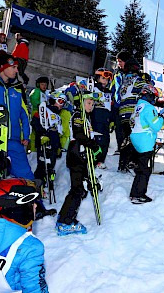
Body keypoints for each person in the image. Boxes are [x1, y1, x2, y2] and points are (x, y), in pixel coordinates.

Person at [0, 177, 49, 292]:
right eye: (31, 203)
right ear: (17, 210)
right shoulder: (30, 247)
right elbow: (34, 289)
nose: (35, 206)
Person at [56, 91, 102, 236]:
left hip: (81, 156)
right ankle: (65, 221)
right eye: (88, 103)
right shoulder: (78, 115)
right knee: (77, 190)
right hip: (76, 155)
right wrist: (93, 145)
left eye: (93, 104)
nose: (91, 106)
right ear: (81, 103)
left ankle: (65, 217)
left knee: (78, 190)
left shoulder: (85, 118)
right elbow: (79, 134)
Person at [0, 52, 34, 187]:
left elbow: (24, 114)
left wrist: (26, 134)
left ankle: (36, 206)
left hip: (14, 140)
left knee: (26, 176)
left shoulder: (17, 88)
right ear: (2, 67)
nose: (16, 70)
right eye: (13, 67)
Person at [129, 84, 164, 204]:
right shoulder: (149, 108)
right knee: (145, 170)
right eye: (154, 97)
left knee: (141, 168)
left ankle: (135, 193)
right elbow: (156, 126)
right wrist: (162, 117)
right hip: (145, 140)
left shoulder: (138, 106)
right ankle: (138, 195)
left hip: (136, 138)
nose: (155, 100)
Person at [117, 57, 147, 173]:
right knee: (134, 138)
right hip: (133, 113)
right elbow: (148, 89)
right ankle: (131, 162)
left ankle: (122, 163)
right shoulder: (137, 80)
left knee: (126, 137)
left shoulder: (124, 80)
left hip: (123, 112)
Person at [31, 91, 66, 191]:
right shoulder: (43, 110)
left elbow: (57, 133)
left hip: (53, 145)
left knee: (51, 166)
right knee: (42, 166)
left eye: (63, 103)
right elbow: (35, 122)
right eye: (60, 101)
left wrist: (58, 146)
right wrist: (42, 133)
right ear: (52, 100)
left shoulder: (58, 116)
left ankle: (46, 186)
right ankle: (37, 187)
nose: (61, 104)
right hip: (44, 143)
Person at [90, 68, 114, 170]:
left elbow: (111, 108)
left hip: (105, 120)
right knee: (97, 141)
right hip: (95, 118)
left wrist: (112, 120)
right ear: (97, 78)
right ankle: (93, 160)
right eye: (103, 78)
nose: (105, 81)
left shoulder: (108, 93)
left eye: (107, 79)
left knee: (106, 141)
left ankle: (100, 161)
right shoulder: (93, 88)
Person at [110, 50, 131, 155]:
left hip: (128, 105)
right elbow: (113, 87)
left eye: (121, 61)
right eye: (118, 61)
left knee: (127, 128)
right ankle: (120, 147)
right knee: (118, 128)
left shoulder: (132, 72)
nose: (119, 63)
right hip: (118, 105)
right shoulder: (117, 73)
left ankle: (127, 151)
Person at [29, 76, 50, 152]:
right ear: (38, 85)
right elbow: (33, 99)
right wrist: (39, 105)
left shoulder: (44, 93)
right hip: (36, 112)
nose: (44, 86)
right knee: (35, 131)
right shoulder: (37, 91)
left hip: (43, 113)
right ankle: (33, 148)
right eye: (42, 84)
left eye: (45, 85)